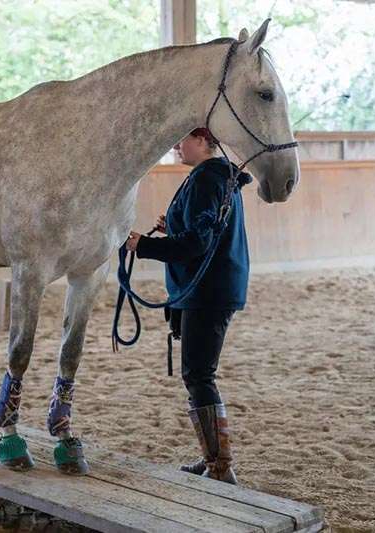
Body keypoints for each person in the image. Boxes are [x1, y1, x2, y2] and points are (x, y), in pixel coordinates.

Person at [125, 127, 252, 484]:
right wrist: (174, 227)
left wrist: (142, 246)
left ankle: (220, 466)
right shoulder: (217, 177)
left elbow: (197, 243)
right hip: (213, 286)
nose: (177, 146)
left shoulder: (205, 179)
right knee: (198, 374)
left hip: (207, 290)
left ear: (203, 141)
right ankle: (214, 459)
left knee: (198, 375)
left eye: (183, 139)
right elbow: (204, 231)